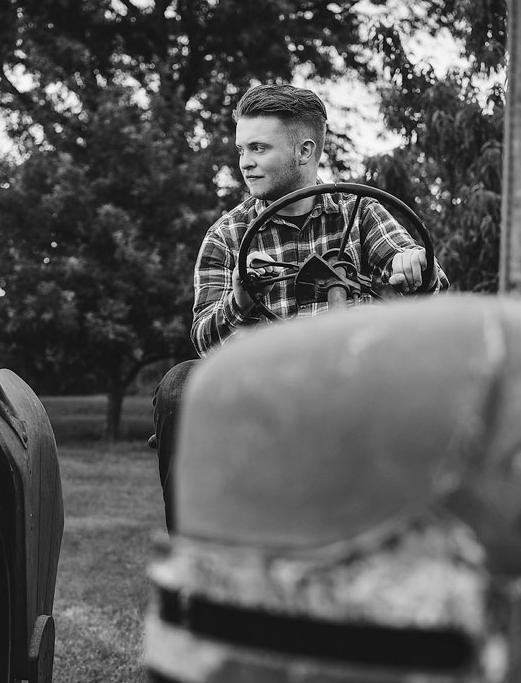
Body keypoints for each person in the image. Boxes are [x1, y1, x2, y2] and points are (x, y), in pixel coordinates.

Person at [153, 83, 449, 530]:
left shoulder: (359, 213)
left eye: (259, 148)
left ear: (305, 151)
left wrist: (414, 267)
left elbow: (427, 285)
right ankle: (194, 544)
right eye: (241, 149)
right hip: (262, 388)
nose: (245, 162)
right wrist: (240, 300)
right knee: (180, 385)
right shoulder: (228, 236)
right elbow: (205, 340)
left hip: (354, 381)